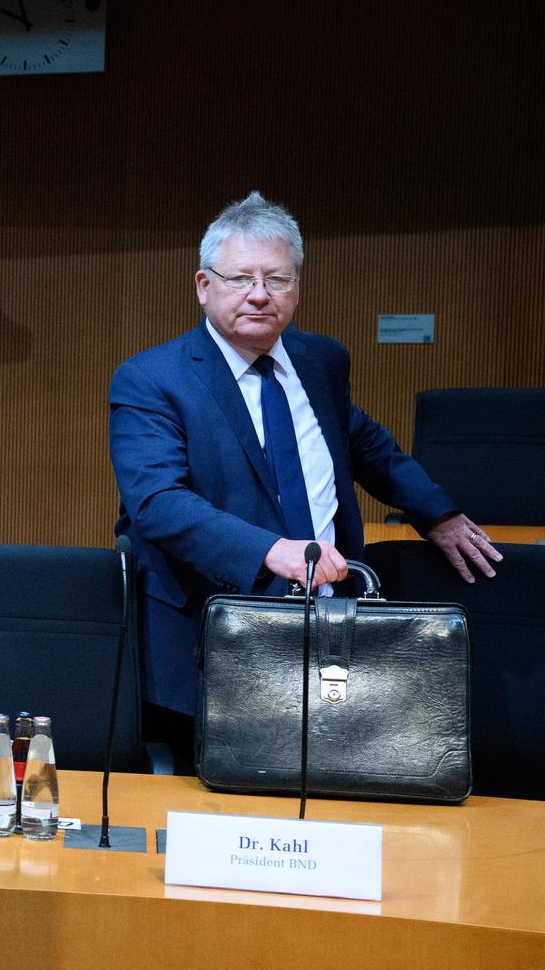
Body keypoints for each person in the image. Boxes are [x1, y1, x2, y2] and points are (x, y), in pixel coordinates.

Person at [109, 192, 500, 759]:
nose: (260, 294)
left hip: (329, 614)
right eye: (241, 278)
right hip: (211, 626)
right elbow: (158, 502)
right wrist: (273, 550)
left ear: (297, 287)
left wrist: (436, 513)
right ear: (203, 285)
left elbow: (362, 441)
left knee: (331, 773)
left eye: (278, 279)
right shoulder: (151, 379)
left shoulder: (321, 360)